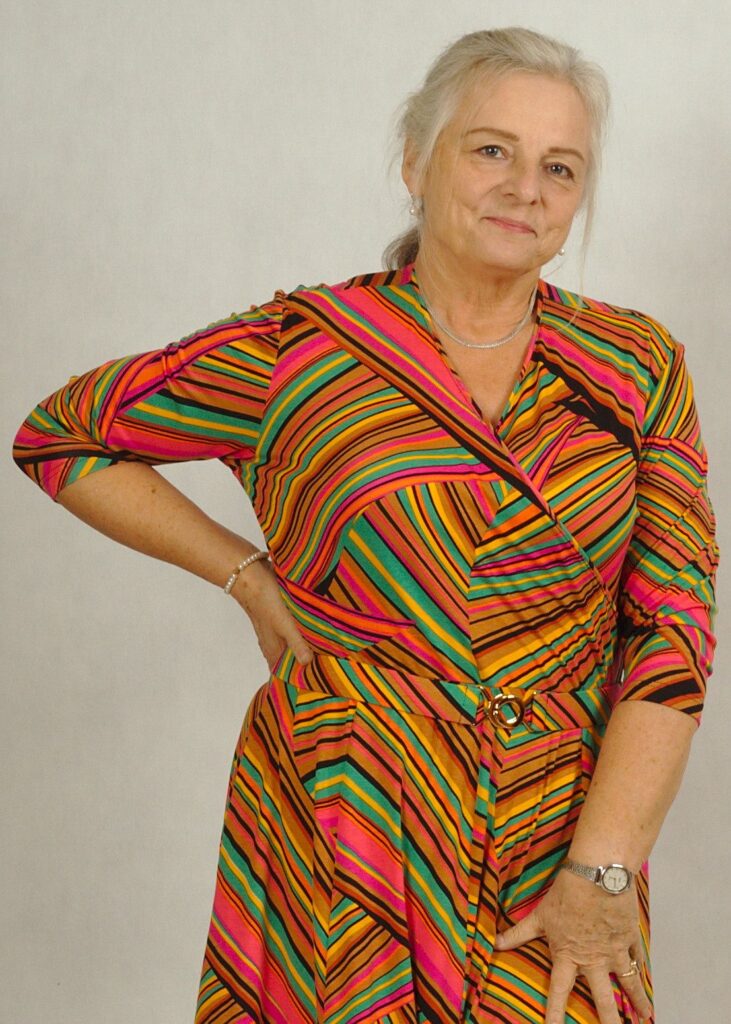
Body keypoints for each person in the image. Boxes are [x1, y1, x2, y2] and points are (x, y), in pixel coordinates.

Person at [11, 25, 719, 1024]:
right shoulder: (301, 352)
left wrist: (600, 873)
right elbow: (61, 437)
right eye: (491, 149)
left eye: (559, 167)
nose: (525, 188)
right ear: (415, 161)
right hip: (346, 821)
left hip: (559, 832)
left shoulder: (634, 366)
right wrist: (246, 575)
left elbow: (673, 632)